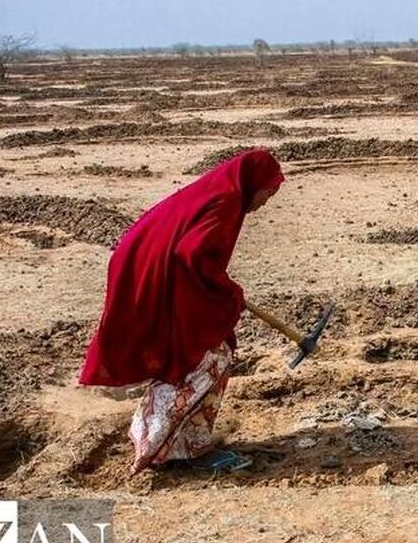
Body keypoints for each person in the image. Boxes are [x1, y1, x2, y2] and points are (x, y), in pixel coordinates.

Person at [78, 148, 284, 474]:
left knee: (198, 353)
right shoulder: (225, 202)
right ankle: (165, 446)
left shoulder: (219, 192)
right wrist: (227, 291)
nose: (264, 202)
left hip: (152, 270)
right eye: (267, 193)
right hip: (159, 277)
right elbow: (191, 254)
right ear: (254, 183)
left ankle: (168, 437)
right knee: (207, 358)